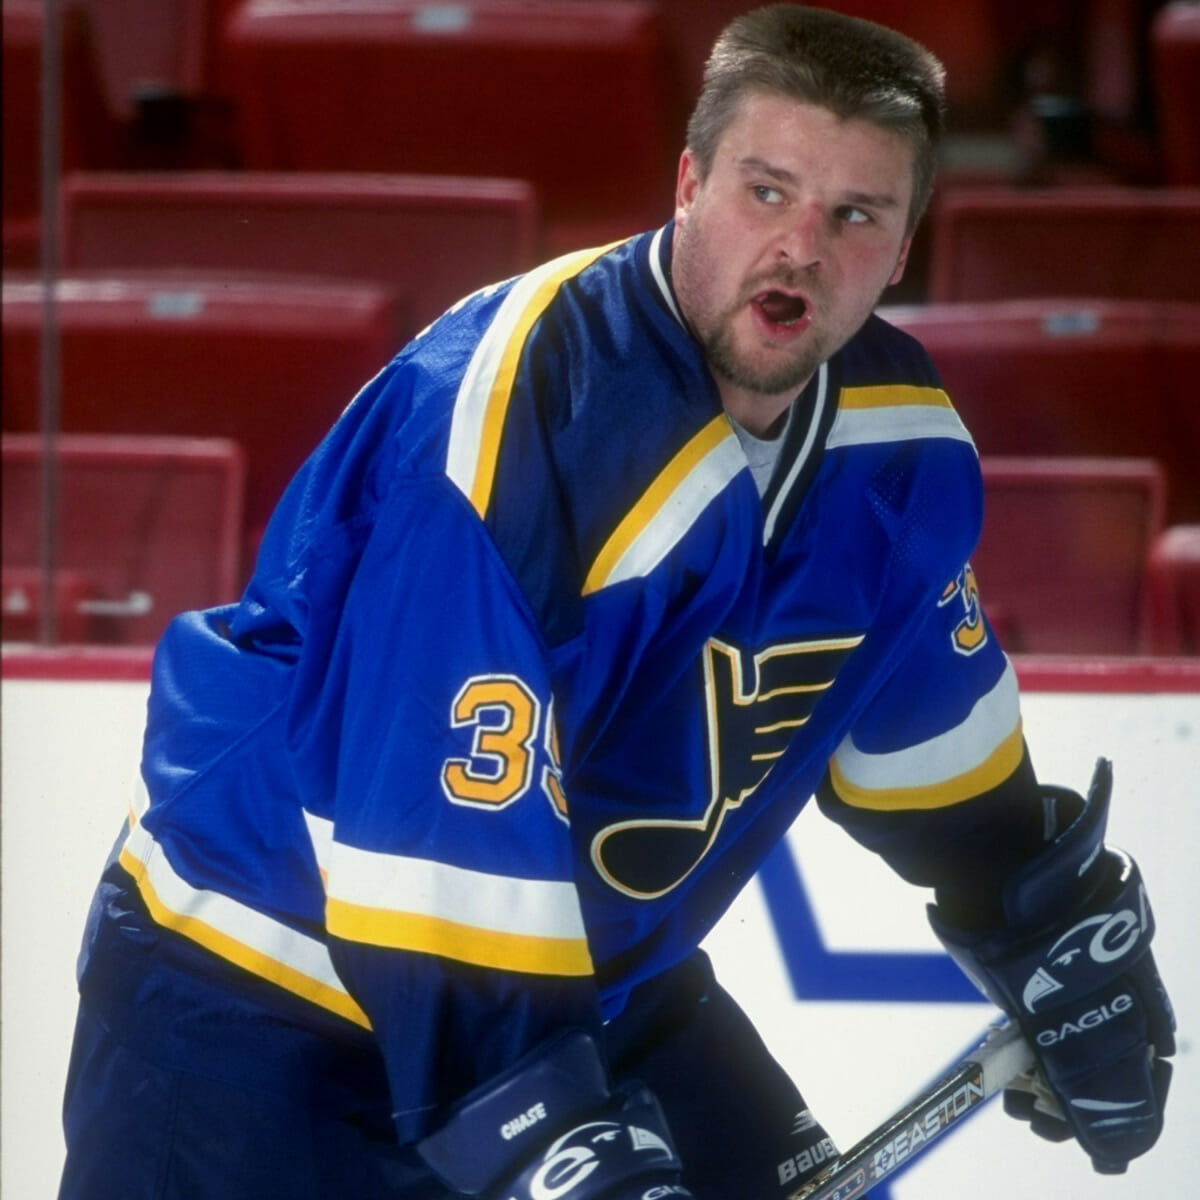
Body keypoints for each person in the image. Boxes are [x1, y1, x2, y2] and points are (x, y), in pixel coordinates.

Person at [59, 7, 1175, 1199]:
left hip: (589, 986)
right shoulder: (512, 421)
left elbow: (930, 735)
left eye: (855, 215)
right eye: (767, 191)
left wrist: (1043, 920)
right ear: (688, 183)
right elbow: (430, 853)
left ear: (904, 248)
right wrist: (554, 1138)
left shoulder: (898, 450)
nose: (801, 247)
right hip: (260, 1005)